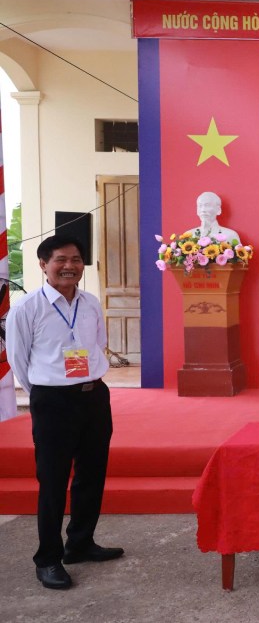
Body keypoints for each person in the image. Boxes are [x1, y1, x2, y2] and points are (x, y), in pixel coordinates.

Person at [7, 235, 123, 590]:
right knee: (53, 481)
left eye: (75, 259)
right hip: (53, 402)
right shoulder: (27, 308)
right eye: (61, 259)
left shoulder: (90, 303)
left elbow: (97, 343)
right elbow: (18, 359)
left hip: (93, 397)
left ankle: (81, 543)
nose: (69, 266)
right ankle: (48, 559)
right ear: (44, 265)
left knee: (92, 473)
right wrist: (45, 393)